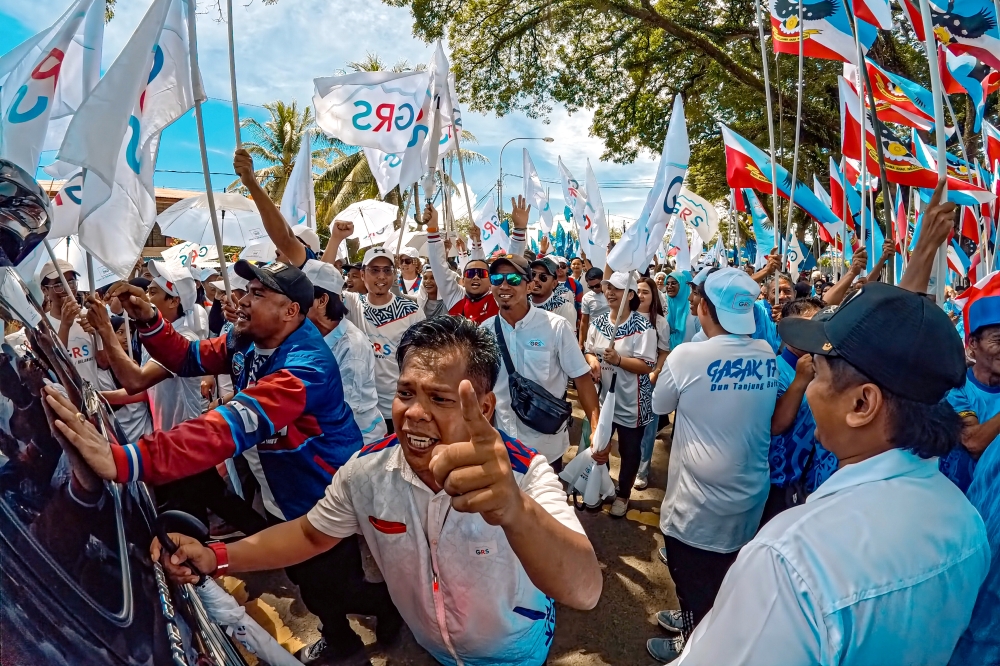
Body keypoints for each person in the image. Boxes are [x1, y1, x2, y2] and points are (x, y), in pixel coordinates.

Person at [151, 316, 603, 666]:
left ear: (482, 408)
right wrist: (217, 557)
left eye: (440, 399)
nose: (415, 414)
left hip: (515, 652)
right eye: (406, 394)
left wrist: (514, 509)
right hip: (433, 648)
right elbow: (309, 535)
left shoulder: (523, 472)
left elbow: (584, 590)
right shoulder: (367, 471)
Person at [42, 259, 402, 664]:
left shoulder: (306, 367)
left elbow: (224, 428)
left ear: (291, 311)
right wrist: (149, 319)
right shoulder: (244, 338)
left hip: (322, 494)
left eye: (258, 294)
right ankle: (340, 633)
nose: (242, 302)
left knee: (331, 581)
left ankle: (386, 609)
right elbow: (187, 357)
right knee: (305, 577)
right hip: (282, 490)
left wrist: (125, 460)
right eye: (247, 291)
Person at [670, 281, 989, 666]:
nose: (809, 391)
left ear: (862, 403)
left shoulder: (792, 559)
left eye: (818, 374)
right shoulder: (968, 524)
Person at [647, 267, 779, 662]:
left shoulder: (688, 356)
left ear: (704, 306)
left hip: (695, 509)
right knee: (725, 578)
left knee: (694, 585)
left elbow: (659, 407)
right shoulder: (765, 352)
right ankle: (696, 619)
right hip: (749, 498)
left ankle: (694, 644)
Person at [484, 254, 600, 473]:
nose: (504, 285)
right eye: (497, 279)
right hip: (500, 446)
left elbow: (582, 379)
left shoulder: (556, 327)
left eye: (514, 280)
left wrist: (596, 428)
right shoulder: (484, 331)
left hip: (545, 448)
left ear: (529, 286)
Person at [758, 297, 838, 526]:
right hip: (781, 481)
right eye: (810, 325)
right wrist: (800, 381)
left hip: (819, 482)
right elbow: (776, 425)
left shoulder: (831, 370)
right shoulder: (773, 369)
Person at [584, 272, 657, 516]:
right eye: (608, 288)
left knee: (629, 451)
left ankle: (623, 495)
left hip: (632, 402)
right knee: (599, 446)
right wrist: (593, 361)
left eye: (616, 288)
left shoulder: (643, 327)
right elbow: (589, 350)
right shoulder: (600, 322)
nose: (610, 292)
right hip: (604, 400)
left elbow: (647, 365)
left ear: (631, 295)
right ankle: (602, 487)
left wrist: (620, 360)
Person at [334, 246, 426, 435]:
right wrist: (336, 239)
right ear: (362, 274)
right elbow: (320, 280)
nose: (381, 276)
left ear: (394, 274)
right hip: (362, 409)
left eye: (387, 270)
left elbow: (424, 360)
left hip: (400, 407)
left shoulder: (411, 311)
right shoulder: (353, 304)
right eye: (374, 270)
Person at [302, 259, 387, 445]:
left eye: (300, 297)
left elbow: (346, 410)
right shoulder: (311, 334)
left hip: (357, 441)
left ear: (322, 300)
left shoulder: (352, 348)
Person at [420, 204, 499, 324]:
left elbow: (515, 264)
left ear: (490, 281)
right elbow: (438, 267)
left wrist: (477, 243)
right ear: (463, 278)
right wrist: (432, 229)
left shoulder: (499, 297)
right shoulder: (456, 296)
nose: (476, 277)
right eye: (470, 273)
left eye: (481, 274)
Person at [38, 258, 106, 387]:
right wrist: (65, 326)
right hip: (68, 401)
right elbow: (57, 367)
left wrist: (98, 332)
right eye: (58, 284)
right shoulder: (42, 325)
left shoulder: (90, 316)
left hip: (98, 398)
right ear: (45, 290)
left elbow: (103, 363)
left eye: (71, 282)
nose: (67, 288)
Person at [634, 276, 670, 490]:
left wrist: (655, 373)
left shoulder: (661, 323)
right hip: (625, 380)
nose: (641, 295)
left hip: (650, 381)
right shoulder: (624, 317)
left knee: (648, 427)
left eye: (645, 291)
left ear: (653, 295)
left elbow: (664, 352)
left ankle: (642, 471)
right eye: (637, 291)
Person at [530, 256, 577, 331]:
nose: (535, 279)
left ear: (554, 284)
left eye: (543, 277)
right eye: (533, 274)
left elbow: (568, 341)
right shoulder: (522, 303)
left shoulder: (564, 307)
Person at [579, 266, 610, 349]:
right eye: (591, 287)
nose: (595, 289)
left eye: (597, 285)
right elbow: (584, 322)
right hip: (595, 336)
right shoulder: (586, 297)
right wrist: (581, 343)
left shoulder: (614, 294)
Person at [664, 271, 696, 347]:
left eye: (674, 283)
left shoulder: (693, 309)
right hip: (668, 354)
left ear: (682, 286)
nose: (669, 286)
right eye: (667, 283)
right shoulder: (664, 307)